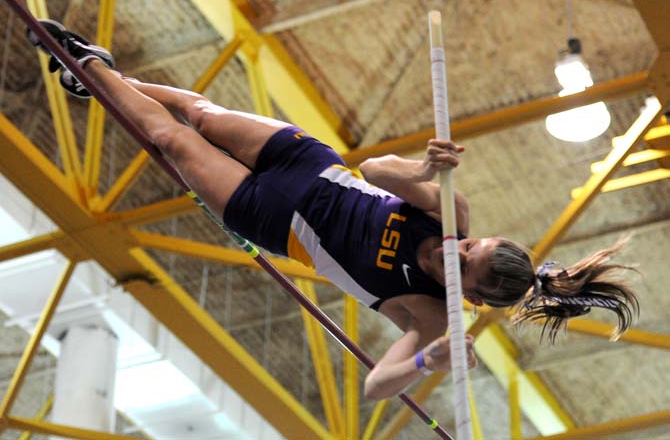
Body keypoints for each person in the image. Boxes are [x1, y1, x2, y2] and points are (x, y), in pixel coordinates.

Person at [28, 20, 639, 400]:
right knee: (202, 113)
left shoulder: (430, 317)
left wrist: (429, 359)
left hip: (272, 219)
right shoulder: (451, 212)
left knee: (173, 142)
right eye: (472, 247)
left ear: (469, 297)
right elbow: (375, 172)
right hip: (307, 164)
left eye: (465, 266)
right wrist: (424, 171)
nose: (458, 250)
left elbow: (376, 388)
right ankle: (98, 79)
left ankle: (90, 68)